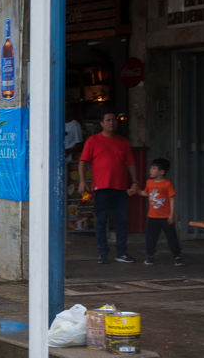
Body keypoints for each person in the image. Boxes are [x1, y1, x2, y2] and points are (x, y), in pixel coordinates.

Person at [78, 111, 139, 264]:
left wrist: (135, 181)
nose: (111, 122)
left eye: (114, 120)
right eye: (108, 120)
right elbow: (83, 162)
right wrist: (82, 181)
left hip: (120, 188)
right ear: (101, 123)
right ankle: (102, 253)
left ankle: (122, 253)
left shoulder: (123, 142)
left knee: (121, 222)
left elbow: (130, 163)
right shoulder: (93, 141)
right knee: (101, 221)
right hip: (101, 187)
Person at [142, 158, 182, 266]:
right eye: (151, 168)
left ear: (161, 172)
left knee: (171, 237)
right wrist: (135, 191)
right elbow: (146, 193)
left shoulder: (167, 184)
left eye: (154, 168)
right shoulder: (149, 182)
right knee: (151, 237)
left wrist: (172, 215)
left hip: (165, 216)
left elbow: (172, 199)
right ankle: (149, 255)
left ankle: (177, 255)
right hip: (152, 216)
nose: (150, 170)